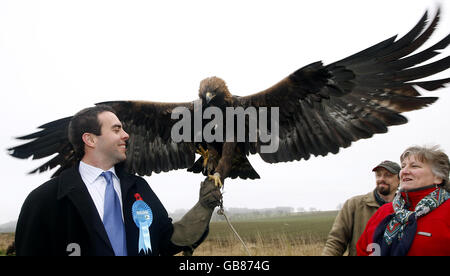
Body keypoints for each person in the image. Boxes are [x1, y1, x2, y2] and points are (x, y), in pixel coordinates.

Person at [15, 105, 222, 256]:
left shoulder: (138, 188)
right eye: (116, 129)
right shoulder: (44, 200)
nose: (126, 135)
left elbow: (168, 241)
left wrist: (203, 207)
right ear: (90, 139)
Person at [357, 145, 450, 256]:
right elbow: (362, 250)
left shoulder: (447, 211)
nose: (404, 171)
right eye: (403, 166)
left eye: (414, 166)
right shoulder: (384, 212)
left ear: (438, 177)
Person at [322, 160, 400, 256]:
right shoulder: (354, 205)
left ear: (399, 180)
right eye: (378, 175)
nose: (382, 179)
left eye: (388, 175)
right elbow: (335, 242)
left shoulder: (405, 210)